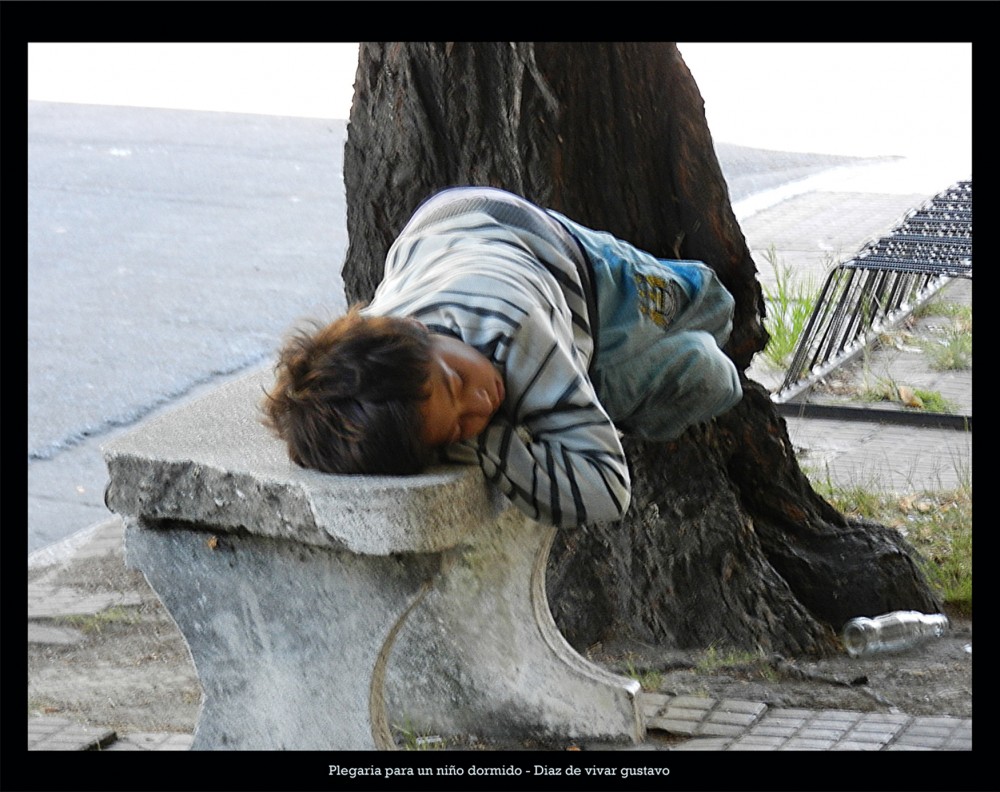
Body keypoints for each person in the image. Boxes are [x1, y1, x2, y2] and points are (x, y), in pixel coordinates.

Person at [263, 187, 742, 528]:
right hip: (474, 254)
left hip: (569, 265)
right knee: (714, 377)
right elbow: (608, 486)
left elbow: (606, 490)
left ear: (416, 327)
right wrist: (492, 444)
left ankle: (582, 383)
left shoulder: (510, 330)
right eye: (456, 429)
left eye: (456, 380)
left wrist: (480, 443)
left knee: (714, 303)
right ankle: (588, 385)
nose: (482, 403)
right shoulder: (386, 350)